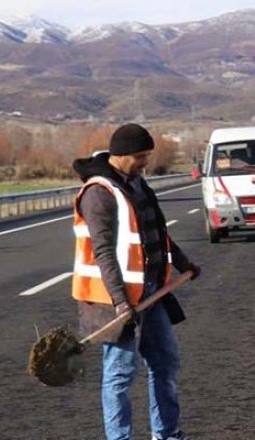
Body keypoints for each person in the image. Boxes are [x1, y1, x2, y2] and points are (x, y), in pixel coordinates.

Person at [72, 123, 200, 440]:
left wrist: (183, 263)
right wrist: (119, 301)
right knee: (120, 375)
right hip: (115, 301)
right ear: (122, 155)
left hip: (151, 294)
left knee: (166, 363)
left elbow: (157, 232)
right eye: (141, 156)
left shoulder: (138, 185)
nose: (145, 162)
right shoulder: (99, 193)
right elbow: (103, 251)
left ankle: (167, 434)